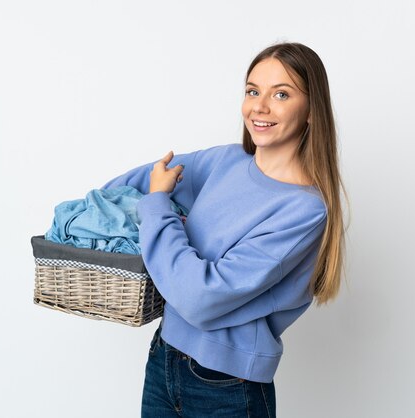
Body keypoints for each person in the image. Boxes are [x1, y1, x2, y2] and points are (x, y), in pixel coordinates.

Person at [101, 41, 347, 418]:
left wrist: (157, 207)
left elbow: (199, 298)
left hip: (226, 386)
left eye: (281, 94)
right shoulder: (226, 161)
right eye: (253, 91)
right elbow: (136, 184)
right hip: (164, 356)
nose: (260, 107)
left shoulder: (304, 211)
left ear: (311, 109)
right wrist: (94, 211)